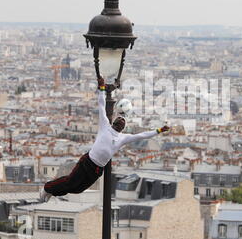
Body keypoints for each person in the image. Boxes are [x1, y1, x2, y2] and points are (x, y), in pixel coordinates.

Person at [40, 77, 170, 202]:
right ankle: (47, 188)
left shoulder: (122, 138)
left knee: (78, 189)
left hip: (97, 169)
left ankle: (52, 192)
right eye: (119, 119)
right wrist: (102, 88)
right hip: (88, 161)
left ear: (123, 127)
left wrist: (159, 130)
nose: (121, 121)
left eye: (122, 121)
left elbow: (143, 135)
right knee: (70, 181)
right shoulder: (105, 126)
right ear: (114, 122)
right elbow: (101, 105)